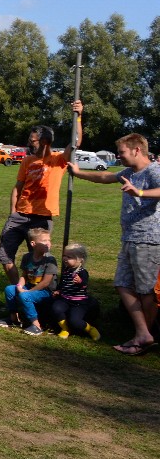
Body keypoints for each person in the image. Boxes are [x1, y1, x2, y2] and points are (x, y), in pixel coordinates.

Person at [68, 133, 160, 355]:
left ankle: (146, 336)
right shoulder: (129, 172)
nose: (119, 156)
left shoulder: (154, 170)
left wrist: (139, 192)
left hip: (148, 239)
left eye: (122, 152)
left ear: (137, 149)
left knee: (146, 291)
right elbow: (105, 177)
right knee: (122, 283)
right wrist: (79, 173)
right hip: (130, 237)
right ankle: (143, 334)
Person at [0, 100, 84, 285]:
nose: (29, 143)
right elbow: (17, 188)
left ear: (45, 142)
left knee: (42, 259)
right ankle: (18, 291)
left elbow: (75, 142)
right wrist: (13, 212)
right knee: (4, 254)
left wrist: (78, 117)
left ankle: (43, 294)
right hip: (19, 215)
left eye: (33, 140)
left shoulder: (58, 160)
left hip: (42, 218)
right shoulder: (27, 161)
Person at [0, 228, 58, 336]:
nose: (48, 243)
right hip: (31, 286)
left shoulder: (50, 260)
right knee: (10, 289)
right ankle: (14, 318)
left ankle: (37, 325)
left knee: (25, 296)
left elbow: (46, 283)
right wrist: (20, 285)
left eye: (49, 240)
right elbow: (24, 275)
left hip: (45, 292)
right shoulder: (27, 257)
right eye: (44, 241)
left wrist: (28, 292)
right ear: (33, 243)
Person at [48, 243, 100, 341]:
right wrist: (58, 290)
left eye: (69, 257)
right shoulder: (66, 270)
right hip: (65, 299)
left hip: (78, 302)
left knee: (75, 320)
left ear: (80, 259)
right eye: (64, 255)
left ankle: (90, 329)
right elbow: (62, 283)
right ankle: (65, 329)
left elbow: (84, 284)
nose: (65, 259)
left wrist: (80, 282)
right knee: (56, 308)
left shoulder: (82, 272)